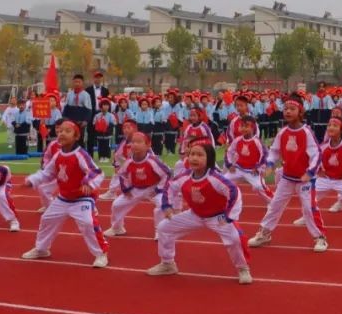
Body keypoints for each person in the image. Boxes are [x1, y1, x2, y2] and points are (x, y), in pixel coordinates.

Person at [148, 142, 252, 283]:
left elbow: (234, 193)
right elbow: (170, 187)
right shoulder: (183, 177)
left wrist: (228, 216)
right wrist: (167, 206)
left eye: (199, 155)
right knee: (164, 228)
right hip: (195, 215)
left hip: (218, 217)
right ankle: (168, 264)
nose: (194, 158)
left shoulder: (216, 179)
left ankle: (243, 268)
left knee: (235, 238)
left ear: (209, 158)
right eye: (192, 154)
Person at [21, 120, 109, 267]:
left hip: (82, 199)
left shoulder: (80, 154)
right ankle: (42, 249)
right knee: (47, 219)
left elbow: (96, 172)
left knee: (88, 223)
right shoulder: (58, 155)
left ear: (76, 136)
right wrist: (33, 180)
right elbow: (47, 173)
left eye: (67, 131)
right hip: (63, 198)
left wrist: (89, 182)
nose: (62, 133)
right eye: (60, 130)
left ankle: (101, 253)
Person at [247, 95, 327, 252]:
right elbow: (274, 151)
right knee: (275, 205)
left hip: (304, 179)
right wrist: (270, 164)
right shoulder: (282, 132)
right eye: (286, 109)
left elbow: (316, 154)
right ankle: (264, 233)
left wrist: (310, 173)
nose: (288, 112)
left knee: (309, 208)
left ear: (300, 112)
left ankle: (320, 237)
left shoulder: (306, 132)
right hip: (287, 177)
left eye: (292, 109)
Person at [106, 131, 172, 237]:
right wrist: (126, 189)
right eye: (133, 142)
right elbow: (122, 174)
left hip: (153, 188)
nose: (135, 144)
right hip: (135, 189)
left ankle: (160, 231)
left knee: (161, 204)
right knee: (116, 205)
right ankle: (117, 228)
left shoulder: (153, 161)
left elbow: (167, 174)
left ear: (148, 145)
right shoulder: (128, 162)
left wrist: (158, 189)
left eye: (139, 142)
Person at [223, 115, 273, 204]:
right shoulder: (237, 140)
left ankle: (272, 202)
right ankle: (228, 200)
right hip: (238, 169)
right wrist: (229, 164)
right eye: (242, 126)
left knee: (259, 186)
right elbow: (229, 152)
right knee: (222, 181)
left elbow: (265, 155)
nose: (243, 128)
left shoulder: (257, 142)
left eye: (246, 126)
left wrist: (258, 168)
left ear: (253, 127)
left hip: (251, 171)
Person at [61, 75, 93, 151]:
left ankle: (81, 154)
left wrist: (85, 120)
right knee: (69, 138)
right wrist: (64, 119)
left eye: (79, 82)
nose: (77, 84)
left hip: (80, 121)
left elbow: (88, 109)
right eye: (75, 82)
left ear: (82, 83)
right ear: (73, 83)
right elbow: (66, 107)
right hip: (70, 120)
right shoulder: (69, 94)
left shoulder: (86, 95)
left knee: (79, 138)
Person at [85, 71, 109, 153]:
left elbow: (108, 103)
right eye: (96, 77)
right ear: (93, 79)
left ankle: (103, 154)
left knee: (103, 135)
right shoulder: (88, 90)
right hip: (91, 114)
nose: (98, 79)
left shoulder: (105, 90)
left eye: (99, 78)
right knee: (91, 135)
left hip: (102, 114)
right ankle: (89, 153)